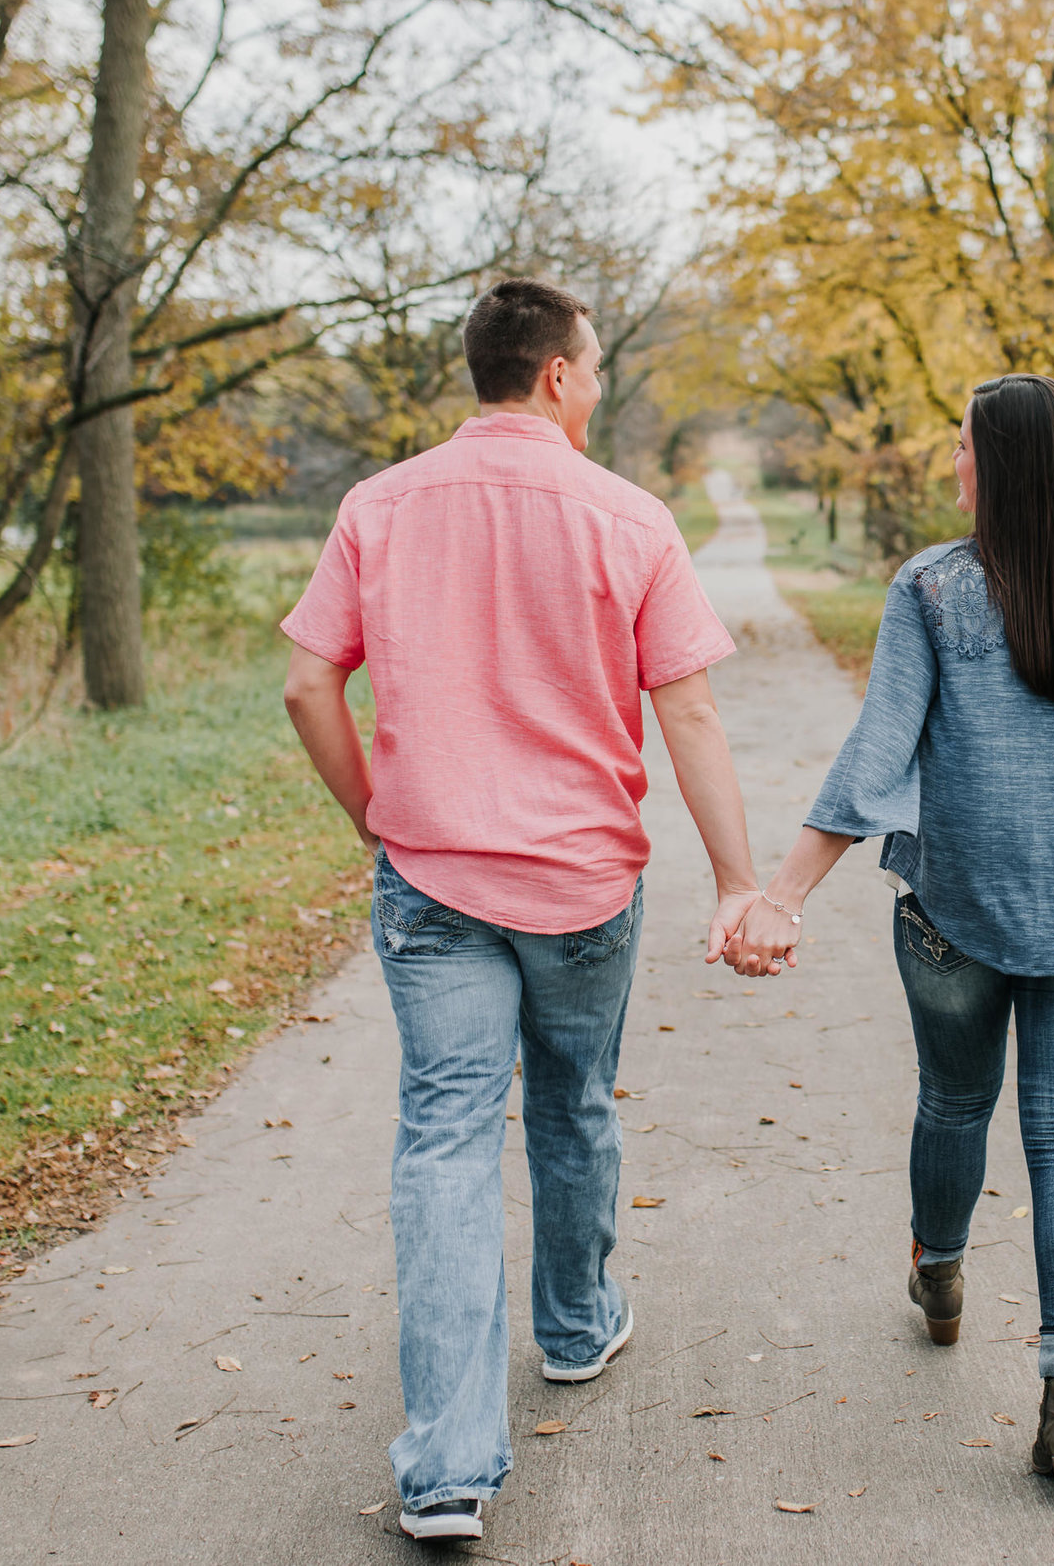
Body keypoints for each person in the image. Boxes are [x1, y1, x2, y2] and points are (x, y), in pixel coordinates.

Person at [280, 278, 762, 1541]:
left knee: (442, 1135)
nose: (597, 385)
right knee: (573, 1099)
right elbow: (691, 710)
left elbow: (305, 687)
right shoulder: (628, 516)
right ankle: (574, 1325)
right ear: (556, 373)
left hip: (431, 875)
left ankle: (444, 1467)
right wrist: (734, 878)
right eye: (594, 365)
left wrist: (376, 815)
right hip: (580, 884)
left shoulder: (376, 505)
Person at [725, 373, 1054, 1506]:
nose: (953, 463)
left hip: (958, 914)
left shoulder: (934, 588)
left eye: (964, 445)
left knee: (954, 1103)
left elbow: (875, 755)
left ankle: (940, 1275)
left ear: (1002, 463)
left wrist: (780, 893)